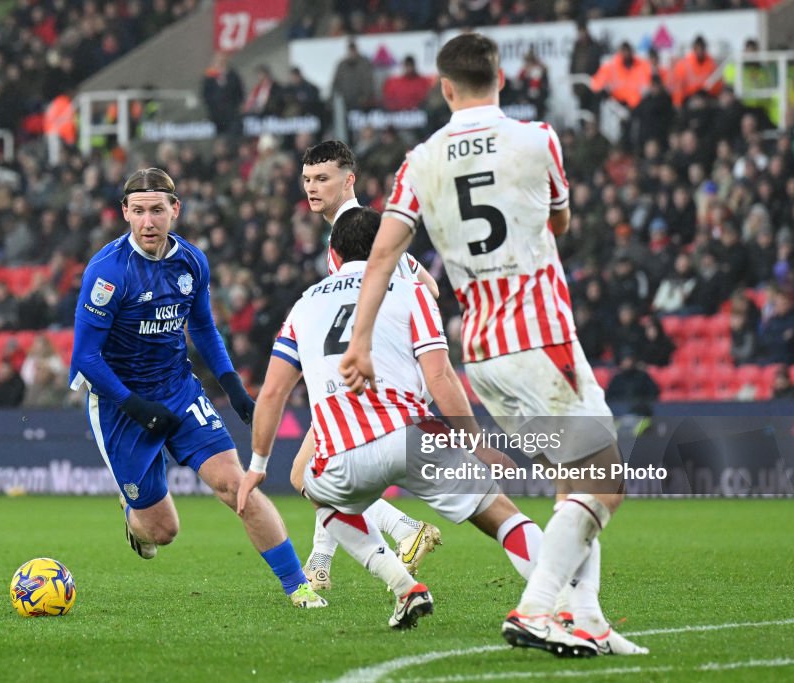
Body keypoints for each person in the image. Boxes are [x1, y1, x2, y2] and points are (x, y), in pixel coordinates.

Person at [338, 33, 647, 656]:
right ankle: (536, 610)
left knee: (574, 480)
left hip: (479, 347)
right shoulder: (538, 140)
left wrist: (361, 343)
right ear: (500, 78)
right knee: (606, 477)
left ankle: (585, 618)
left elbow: (380, 258)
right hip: (538, 333)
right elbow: (559, 220)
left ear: (445, 88)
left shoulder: (420, 160)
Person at [237, 207, 545, 629]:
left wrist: (256, 466)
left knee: (316, 491)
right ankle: (561, 604)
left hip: (343, 453)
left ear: (335, 251)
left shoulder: (305, 304)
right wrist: (477, 445)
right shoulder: (409, 290)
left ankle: (404, 587)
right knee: (501, 515)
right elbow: (439, 374)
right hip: (412, 435)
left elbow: (272, 391)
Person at [69, 168, 326, 609]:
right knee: (162, 532)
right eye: (139, 212)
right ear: (125, 214)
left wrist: (234, 388)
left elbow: (203, 328)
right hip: (120, 405)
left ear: (175, 210)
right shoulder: (107, 273)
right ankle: (133, 517)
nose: (149, 222)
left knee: (235, 485)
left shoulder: (191, 261)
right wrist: (135, 406)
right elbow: (85, 360)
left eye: (157, 210)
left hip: (179, 390)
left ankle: (297, 585)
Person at [295, 140, 443, 592]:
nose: (313, 188)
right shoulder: (371, 227)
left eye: (323, 178)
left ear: (349, 179)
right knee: (329, 470)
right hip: (383, 373)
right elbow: (431, 288)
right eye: (307, 180)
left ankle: (403, 531)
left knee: (309, 473)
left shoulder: (354, 232)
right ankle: (319, 565)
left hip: (371, 379)